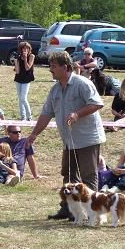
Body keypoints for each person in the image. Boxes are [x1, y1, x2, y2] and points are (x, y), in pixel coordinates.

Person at [25, 51, 105, 220]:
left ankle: (92, 213)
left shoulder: (82, 83)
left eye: (53, 66)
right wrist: (34, 135)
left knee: (87, 177)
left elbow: (97, 103)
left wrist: (77, 114)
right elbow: (46, 114)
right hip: (68, 141)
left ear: (66, 67)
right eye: (50, 66)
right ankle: (68, 210)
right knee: (68, 175)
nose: (50, 70)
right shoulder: (54, 90)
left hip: (87, 139)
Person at [13, 41, 35, 121]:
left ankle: (29, 116)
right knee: (20, 99)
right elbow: (18, 71)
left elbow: (27, 68)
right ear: (21, 49)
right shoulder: (19, 57)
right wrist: (16, 61)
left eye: (27, 48)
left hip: (27, 79)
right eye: (24, 48)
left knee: (23, 98)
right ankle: (23, 116)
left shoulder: (31, 56)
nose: (25, 50)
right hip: (19, 79)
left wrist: (25, 59)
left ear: (29, 49)